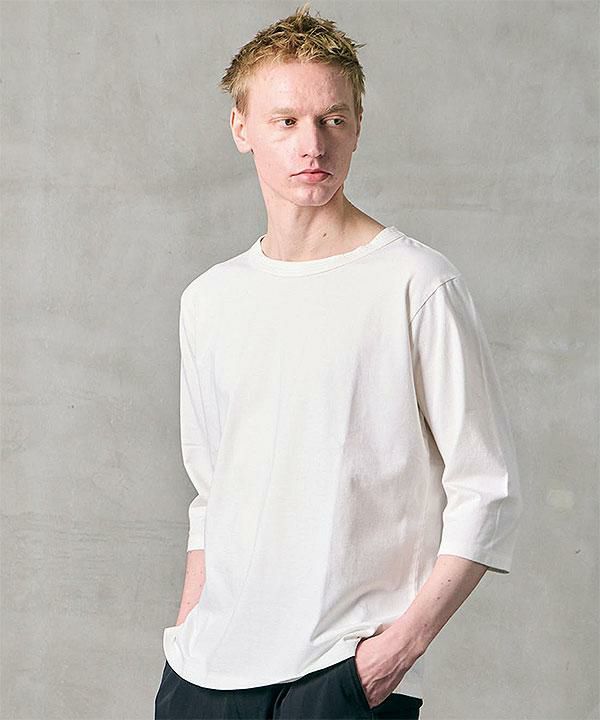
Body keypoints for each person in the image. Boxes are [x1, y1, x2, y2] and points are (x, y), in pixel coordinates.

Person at [154, 3, 523, 719]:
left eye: (333, 119)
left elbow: (488, 488)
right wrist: (187, 633)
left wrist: (394, 655)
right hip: (203, 675)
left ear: (357, 126)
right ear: (241, 128)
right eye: (286, 120)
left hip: (339, 676)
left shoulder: (416, 283)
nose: (312, 144)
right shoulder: (210, 299)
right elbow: (213, 492)